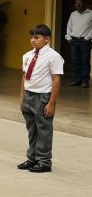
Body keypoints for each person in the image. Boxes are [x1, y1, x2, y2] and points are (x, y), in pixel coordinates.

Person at [18, 24, 63, 173]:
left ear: (47, 39)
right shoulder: (27, 55)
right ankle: (32, 158)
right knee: (32, 129)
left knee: (43, 129)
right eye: (31, 37)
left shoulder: (53, 56)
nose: (33, 40)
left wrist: (51, 103)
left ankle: (44, 161)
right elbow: (25, 77)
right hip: (29, 94)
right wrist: (22, 98)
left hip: (43, 96)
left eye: (37, 37)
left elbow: (56, 80)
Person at [64, 0, 92, 87]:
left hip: (85, 41)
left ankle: (85, 81)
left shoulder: (90, 13)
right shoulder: (73, 14)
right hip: (74, 41)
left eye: (80, 3)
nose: (78, 5)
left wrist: (87, 38)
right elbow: (69, 26)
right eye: (76, 3)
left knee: (85, 61)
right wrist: (68, 38)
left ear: (85, 4)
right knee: (75, 61)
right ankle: (77, 80)